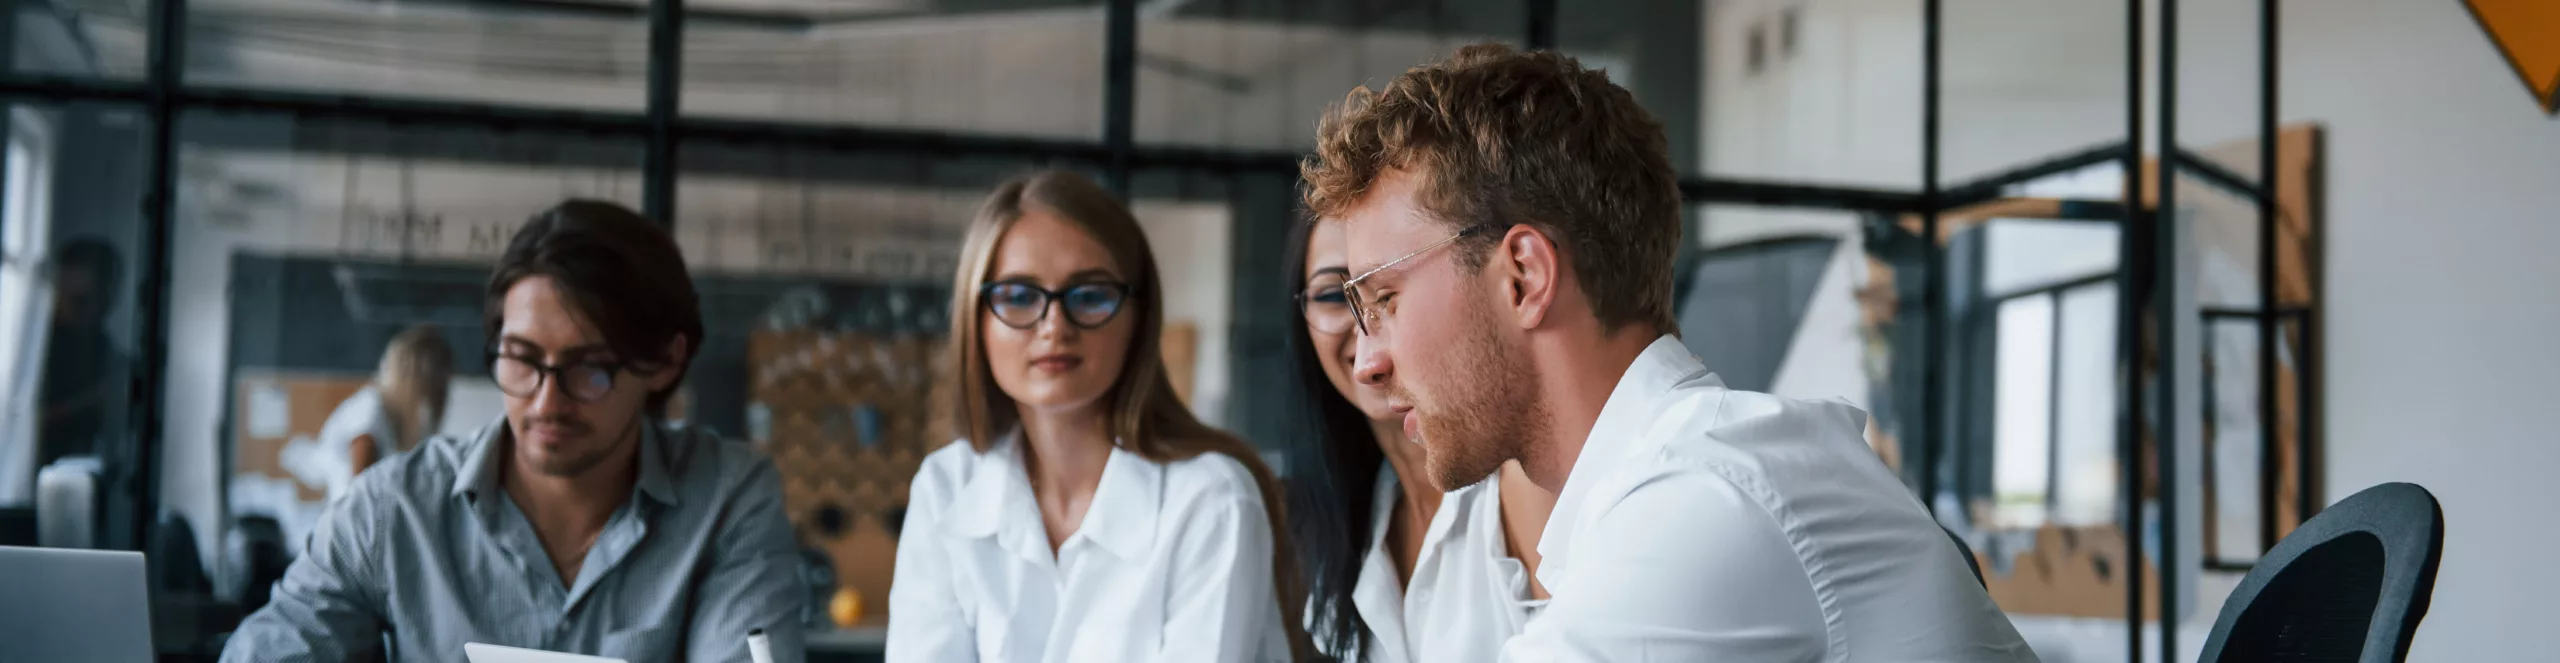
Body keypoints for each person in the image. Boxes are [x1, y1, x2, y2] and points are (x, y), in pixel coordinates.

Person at [1302, 44, 2037, 662]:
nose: (1368, 361)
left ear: (1523, 276)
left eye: (1386, 298)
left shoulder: (1716, 496)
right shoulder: (1474, 548)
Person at [222, 200, 807, 663]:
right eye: (521, 359)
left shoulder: (727, 499)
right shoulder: (394, 508)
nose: (547, 401)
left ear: (665, 362)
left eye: (590, 369)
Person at [888, 170, 1313, 663]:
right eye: (1020, 297)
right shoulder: (945, 488)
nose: (1054, 326)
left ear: (1139, 316)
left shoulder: (1211, 499)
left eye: (1089, 296)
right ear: (975, 318)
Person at [1286, 213, 1557, 663]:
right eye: (1335, 295)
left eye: (1386, 292)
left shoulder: (1523, 481)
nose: (1366, 334)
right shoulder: (1347, 515)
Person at [316, 323, 455, 503]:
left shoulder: (390, 414)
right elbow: (358, 498)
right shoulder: (370, 414)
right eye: (440, 379)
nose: (443, 389)